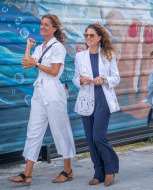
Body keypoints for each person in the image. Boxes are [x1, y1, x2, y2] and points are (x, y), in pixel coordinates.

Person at [9, 14, 76, 185]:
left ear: (54, 28)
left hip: (53, 91)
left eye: (47, 25)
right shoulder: (40, 47)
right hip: (39, 92)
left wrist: (36, 64)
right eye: (41, 24)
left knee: (60, 130)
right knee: (33, 130)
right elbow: (26, 63)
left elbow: (54, 72)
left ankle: (67, 170)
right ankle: (27, 173)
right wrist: (28, 46)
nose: (43, 27)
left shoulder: (58, 47)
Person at [73, 23, 120, 186]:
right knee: (90, 140)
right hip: (86, 101)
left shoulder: (108, 55)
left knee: (99, 137)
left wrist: (104, 79)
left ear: (99, 38)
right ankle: (98, 173)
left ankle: (110, 169)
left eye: (92, 35)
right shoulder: (80, 56)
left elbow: (116, 78)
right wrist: (80, 80)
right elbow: (74, 79)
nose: (88, 38)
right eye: (86, 35)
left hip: (103, 101)